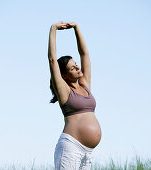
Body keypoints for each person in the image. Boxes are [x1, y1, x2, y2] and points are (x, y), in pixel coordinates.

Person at [48, 21, 102, 170]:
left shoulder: (85, 85)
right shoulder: (65, 92)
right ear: (64, 75)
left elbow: (84, 53)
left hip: (87, 153)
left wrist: (76, 28)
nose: (78, 67)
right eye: (72, 68)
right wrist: (53, 30)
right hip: (71, 148)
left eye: (76, 64)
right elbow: (52, 60)